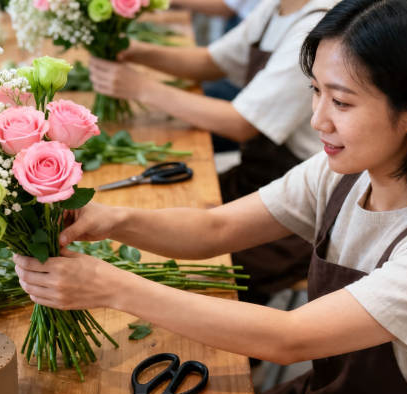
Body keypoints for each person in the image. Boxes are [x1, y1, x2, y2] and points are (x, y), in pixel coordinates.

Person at [15, 0, 407, 394]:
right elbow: (218, 230)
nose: (318, 119)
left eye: (341, 102)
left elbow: (290, 337)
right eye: (315, 91)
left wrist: (110, 286)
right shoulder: (342, 172)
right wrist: (110, 217)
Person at [91, 0, 339, 304]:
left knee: (197, 276)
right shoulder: (276, 8)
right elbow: (213, 61)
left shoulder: (316, 27)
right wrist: (135, 50)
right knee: (164, 219)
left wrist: (142, 88)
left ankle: (245, 342)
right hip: (258, 176)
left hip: (296, 207)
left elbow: (242, 124)